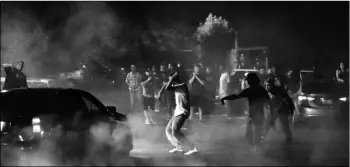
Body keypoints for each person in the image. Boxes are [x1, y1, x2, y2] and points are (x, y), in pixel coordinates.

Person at [220, 73, 270, 149]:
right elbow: (268, 102)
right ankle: (257, 147)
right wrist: (224, 98)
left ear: (252, 81)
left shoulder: (251, 90)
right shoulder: (260, 90)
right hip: (255, 115)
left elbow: (236, 96)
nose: (247, 82)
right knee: (252, 134)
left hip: (257, 115)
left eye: (248, 80)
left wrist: (224, 98)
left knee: (255, 133)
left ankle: (258, 149)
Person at [161, 72, 199, 155]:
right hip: (177, 112)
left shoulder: (183, 86)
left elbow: (167, 87)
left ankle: (192, 148)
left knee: (175, 131)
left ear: (174, 79)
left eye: (171, 79)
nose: (170, 81)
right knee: (168, 130)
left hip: (183, 112)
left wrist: (172, 78)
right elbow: (167, 85)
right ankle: (178, 147)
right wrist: (160, 92)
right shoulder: (177, 86)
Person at [263, 78, 295, 144]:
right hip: (273, 111)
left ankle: (288, 140)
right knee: (268, 125)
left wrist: (292, 109)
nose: (267, 87)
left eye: (268, 85)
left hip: (282, 110)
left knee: (285, 126)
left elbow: (289, 100)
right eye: (266, 85)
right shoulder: (266, 93)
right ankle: (261, 139)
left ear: (272, 85)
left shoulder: (280, 91)